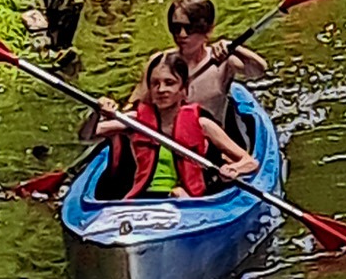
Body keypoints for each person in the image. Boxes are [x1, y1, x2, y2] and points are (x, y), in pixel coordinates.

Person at [96, 52, 259, 200]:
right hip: (143, 202)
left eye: (169, 83)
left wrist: (234, 170)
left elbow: (250, 162)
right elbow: (87, 136)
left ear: (184, 90)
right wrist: (98, 111)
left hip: (188, 201)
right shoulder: (135, 121)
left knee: (178, 194)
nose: (161, 90)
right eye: (155, 84)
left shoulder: (203, 124)